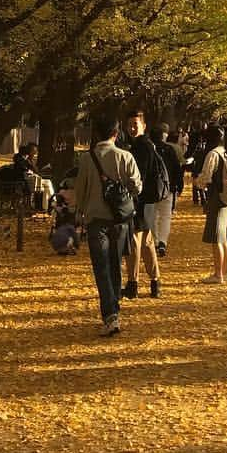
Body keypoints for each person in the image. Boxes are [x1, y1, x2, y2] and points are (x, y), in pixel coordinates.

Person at [72, 109, 141, 337]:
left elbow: (80, 192)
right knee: (114, 264)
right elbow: (137, 186)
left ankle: (110, 314)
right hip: (120, 219)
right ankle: (114, 309)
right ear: (115, 132)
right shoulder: (125, 156)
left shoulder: (86, 158)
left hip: (95, 220)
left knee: (101, 267)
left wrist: (80, 213)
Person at [120, 108, 166, 299]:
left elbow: (140, 177)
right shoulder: (145, 145)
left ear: (144, 126)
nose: (132, 128)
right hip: (147, 201)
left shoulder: (141, 147)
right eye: (129, 124)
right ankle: (155, 282)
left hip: (139, 200)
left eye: (135, 124)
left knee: (135, 242)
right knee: (147, 242)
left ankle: (133, 283)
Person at [198, 124, 227, 284]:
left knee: (216, 237)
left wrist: (197, 182)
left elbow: (206, 177)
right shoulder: (225, 153)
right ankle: (226, 271)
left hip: (217, 198)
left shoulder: (212, 154)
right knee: (224, 236)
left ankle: (218, 274)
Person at [148, 123, 184, 256]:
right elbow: (177, 169)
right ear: (163, 136)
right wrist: (178, 185)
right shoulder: (169, 150)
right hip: (167, 188)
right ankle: (162, 242)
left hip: (150, 190)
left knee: (152, 216)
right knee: (165, 216)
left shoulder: (148, 150)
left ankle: (155, 241)